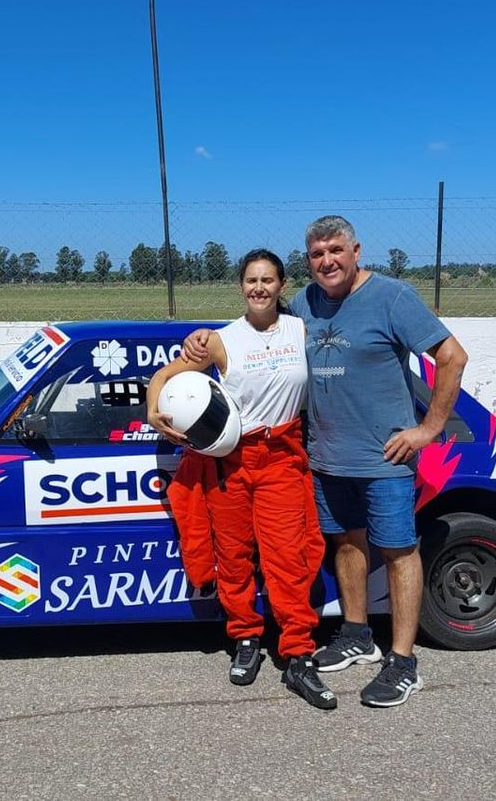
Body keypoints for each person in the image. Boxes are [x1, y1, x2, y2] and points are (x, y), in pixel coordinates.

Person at [183, 216, 468, 708]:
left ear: (356, 250)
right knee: (347, 545)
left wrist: (429, 429)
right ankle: (357, 634)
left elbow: (452, 356)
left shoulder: (392, 296)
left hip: (385, 456)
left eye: (335, 250)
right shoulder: (305, 307)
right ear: (307, 262)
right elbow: (258, 327)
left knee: (399, 552)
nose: (327, 261)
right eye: (317, 254)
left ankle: (403, 662)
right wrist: (201, 337)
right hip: (326, 459)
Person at [149, 249, 336, 710]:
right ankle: (246, 639)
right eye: (251, 280)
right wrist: (155, 412)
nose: (259, 288)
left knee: (287, 559)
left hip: (283, 458)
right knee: (233, 558)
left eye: (267, 280)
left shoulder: (301, 328)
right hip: (232, 460)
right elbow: (165, 376)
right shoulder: (220, 340)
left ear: (281, 285)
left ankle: (297, 654)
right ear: (240, 286)